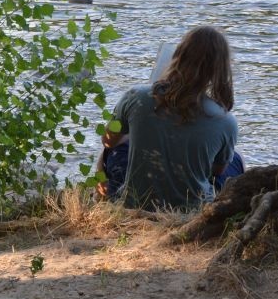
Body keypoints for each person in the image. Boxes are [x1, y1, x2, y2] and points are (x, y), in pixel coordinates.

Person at [102, 25, 241, 210]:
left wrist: (135, 135)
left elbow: (108, 141)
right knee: (237, 159)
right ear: (220, 69)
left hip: (136, 204)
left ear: (178, 56)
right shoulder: (226, 121)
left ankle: (102, 197)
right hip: (191, 209)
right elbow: (217, 171)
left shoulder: (136, 96)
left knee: (112, 150)